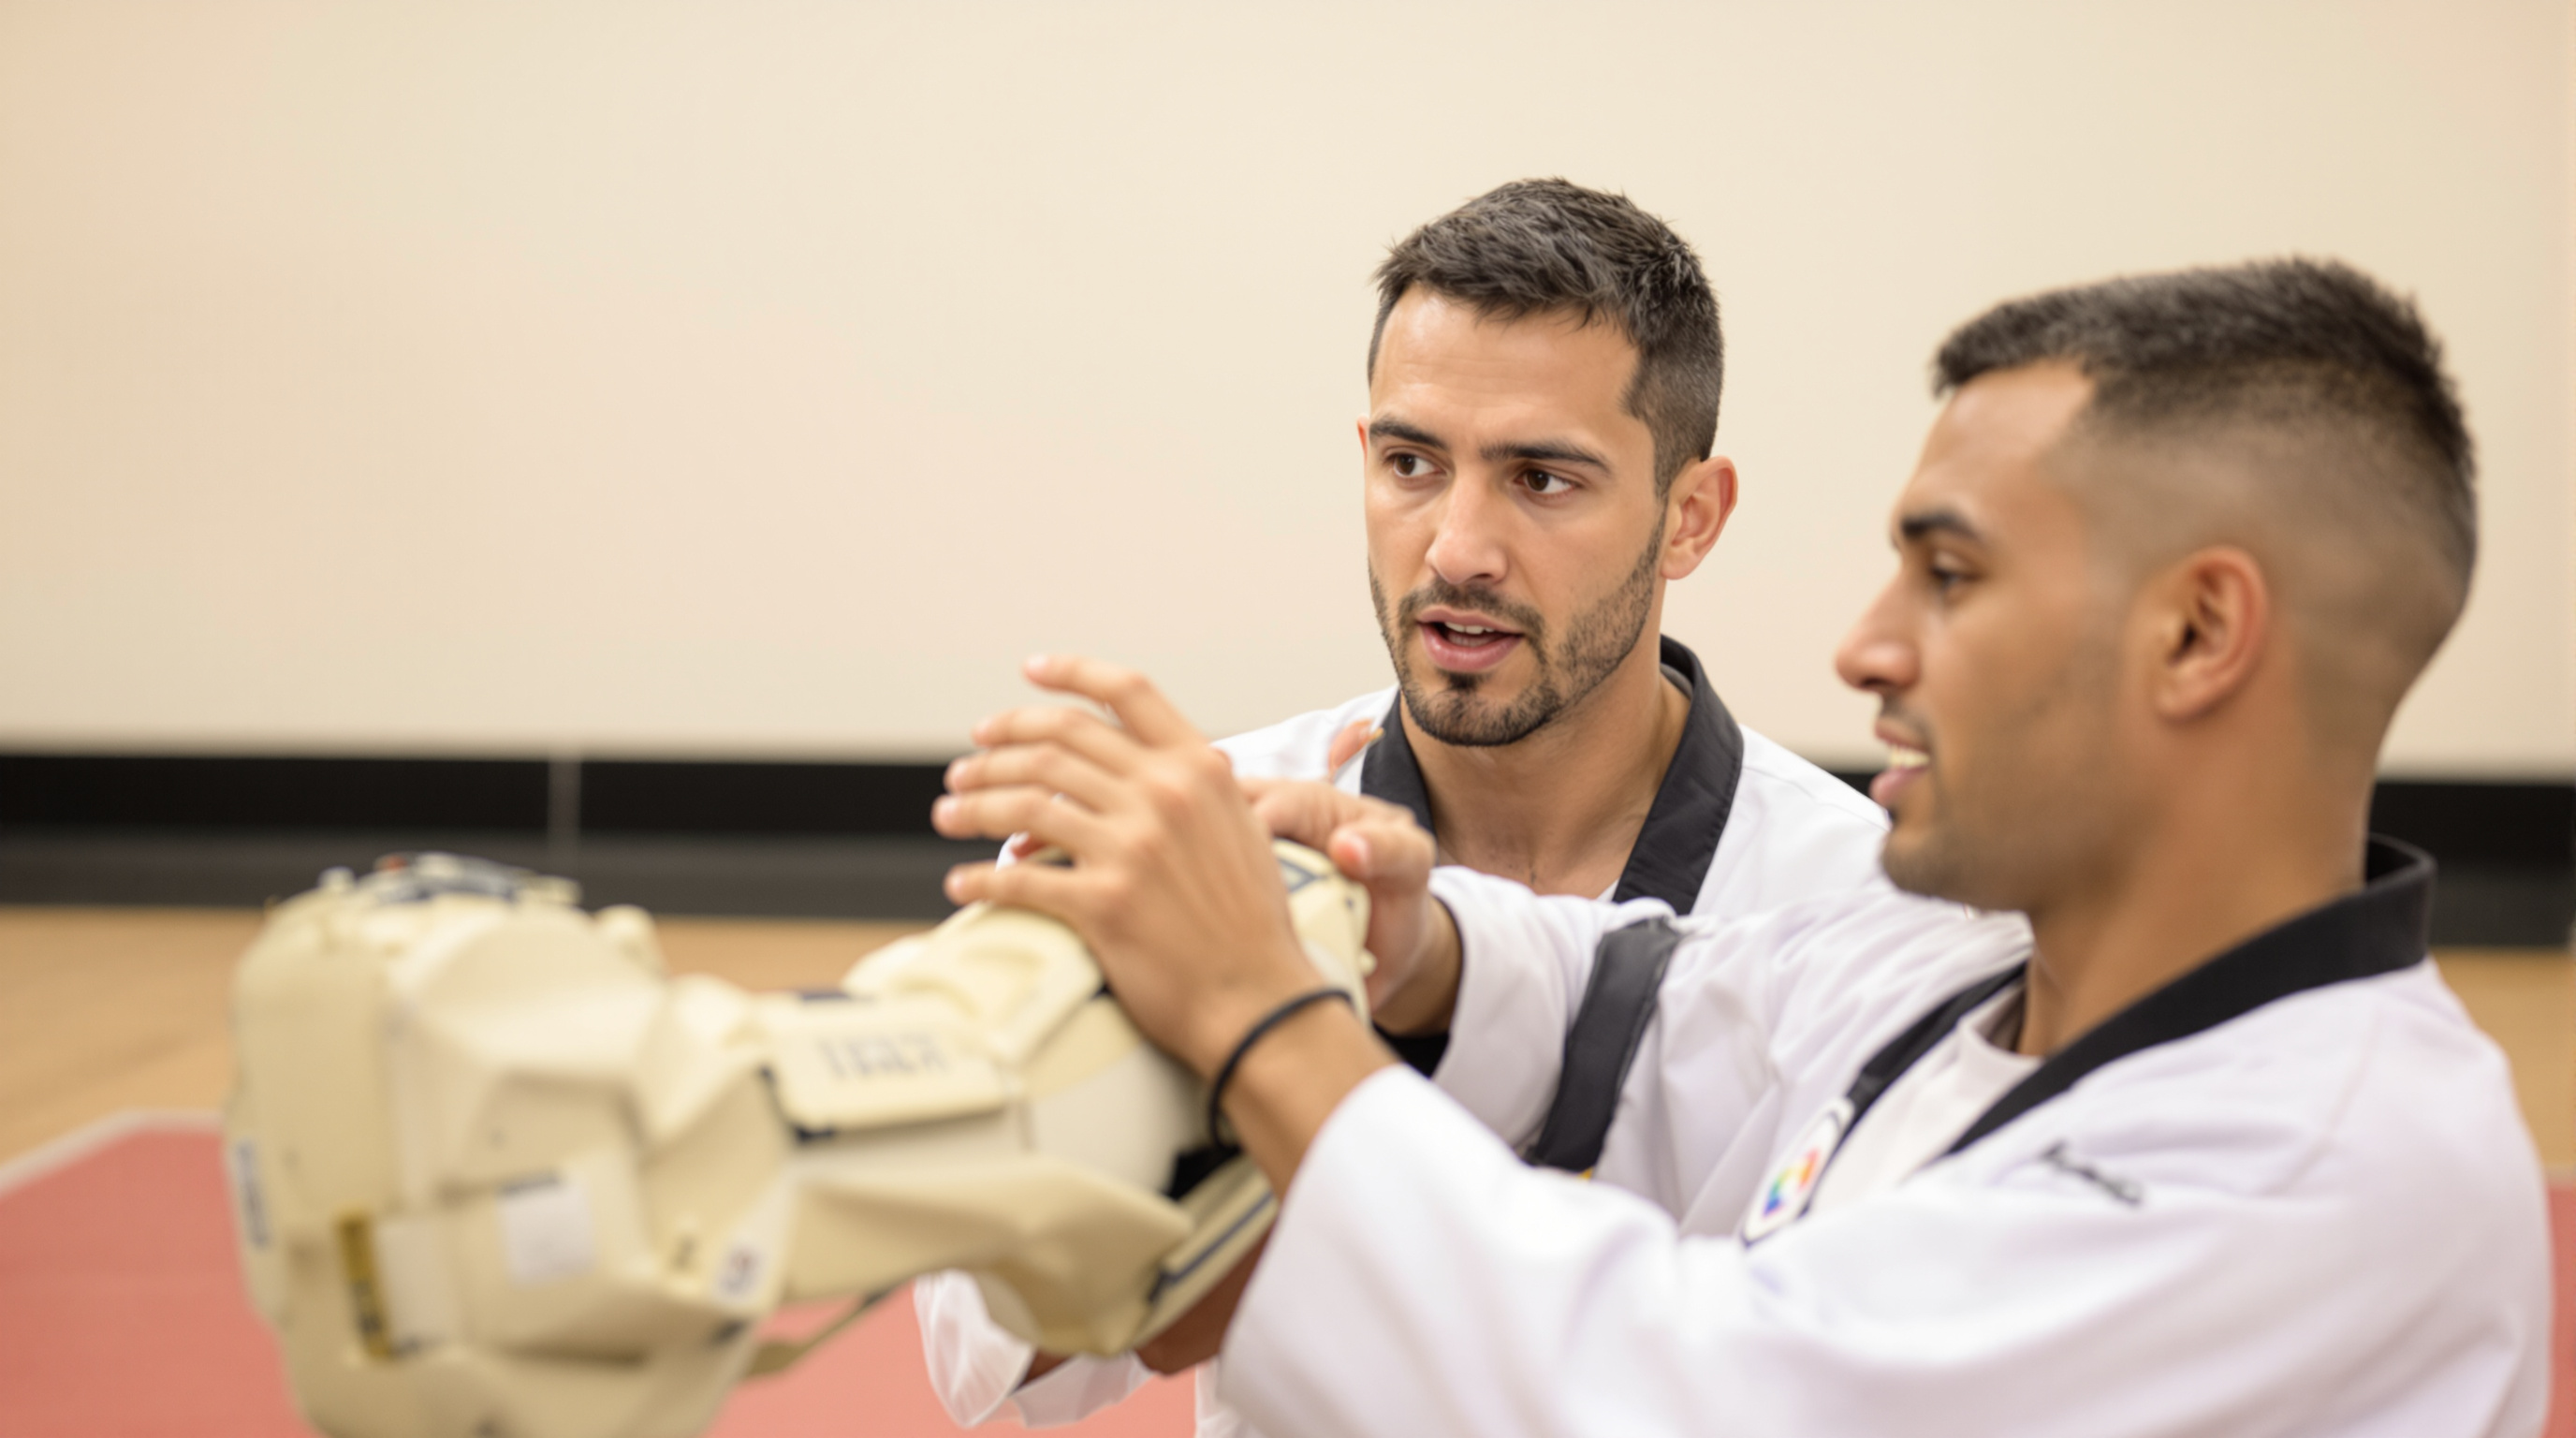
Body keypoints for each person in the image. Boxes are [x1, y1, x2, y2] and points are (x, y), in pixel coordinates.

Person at [931, 257, 2551, 1435]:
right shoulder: (1954, 969)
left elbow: (1694, 1386)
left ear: (2199, 633)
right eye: (1410, 461)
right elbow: (1650, 1001)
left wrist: (1260, 1020)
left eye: (1953, 577)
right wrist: (1397, 947)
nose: (1866, 649)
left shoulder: (2314, 1169)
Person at [917, 178, 1908, 1434]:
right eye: (1411, 463)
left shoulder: (1862, 900)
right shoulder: (1195, 842)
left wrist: (1282, 1071)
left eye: (1542, 480)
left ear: (1689, 518)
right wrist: (1157, 1014)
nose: (1456, 548)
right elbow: (991, 1351)